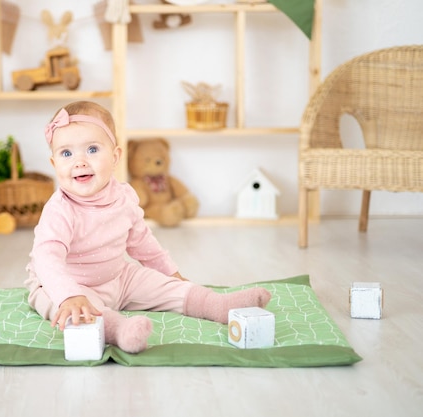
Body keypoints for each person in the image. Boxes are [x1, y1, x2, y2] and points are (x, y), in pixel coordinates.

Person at [25, 101, 271, 353]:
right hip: (65, 284)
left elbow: (143, 244)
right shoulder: (60, 209)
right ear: (54, 164)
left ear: (115, 157)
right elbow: (47, 258)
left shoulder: (124, 198)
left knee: (168, 286)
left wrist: (170, 274)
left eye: (92, 149)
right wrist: (68, 294)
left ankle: (218, 305)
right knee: (74, 311)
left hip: (118, 277)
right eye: (67, 154)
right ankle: (120, 330)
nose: (79, 162)